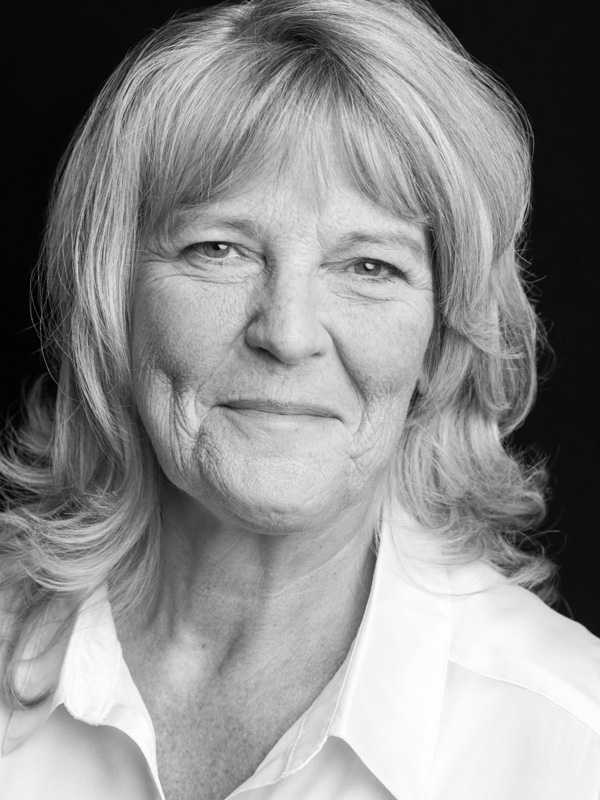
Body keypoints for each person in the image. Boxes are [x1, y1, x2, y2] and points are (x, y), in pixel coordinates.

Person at [1, 0, 598, 797]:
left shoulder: (571, 740)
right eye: (219, 249)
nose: (287, 333)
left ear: (442, 338)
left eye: (369, 267)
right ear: (113, 303)